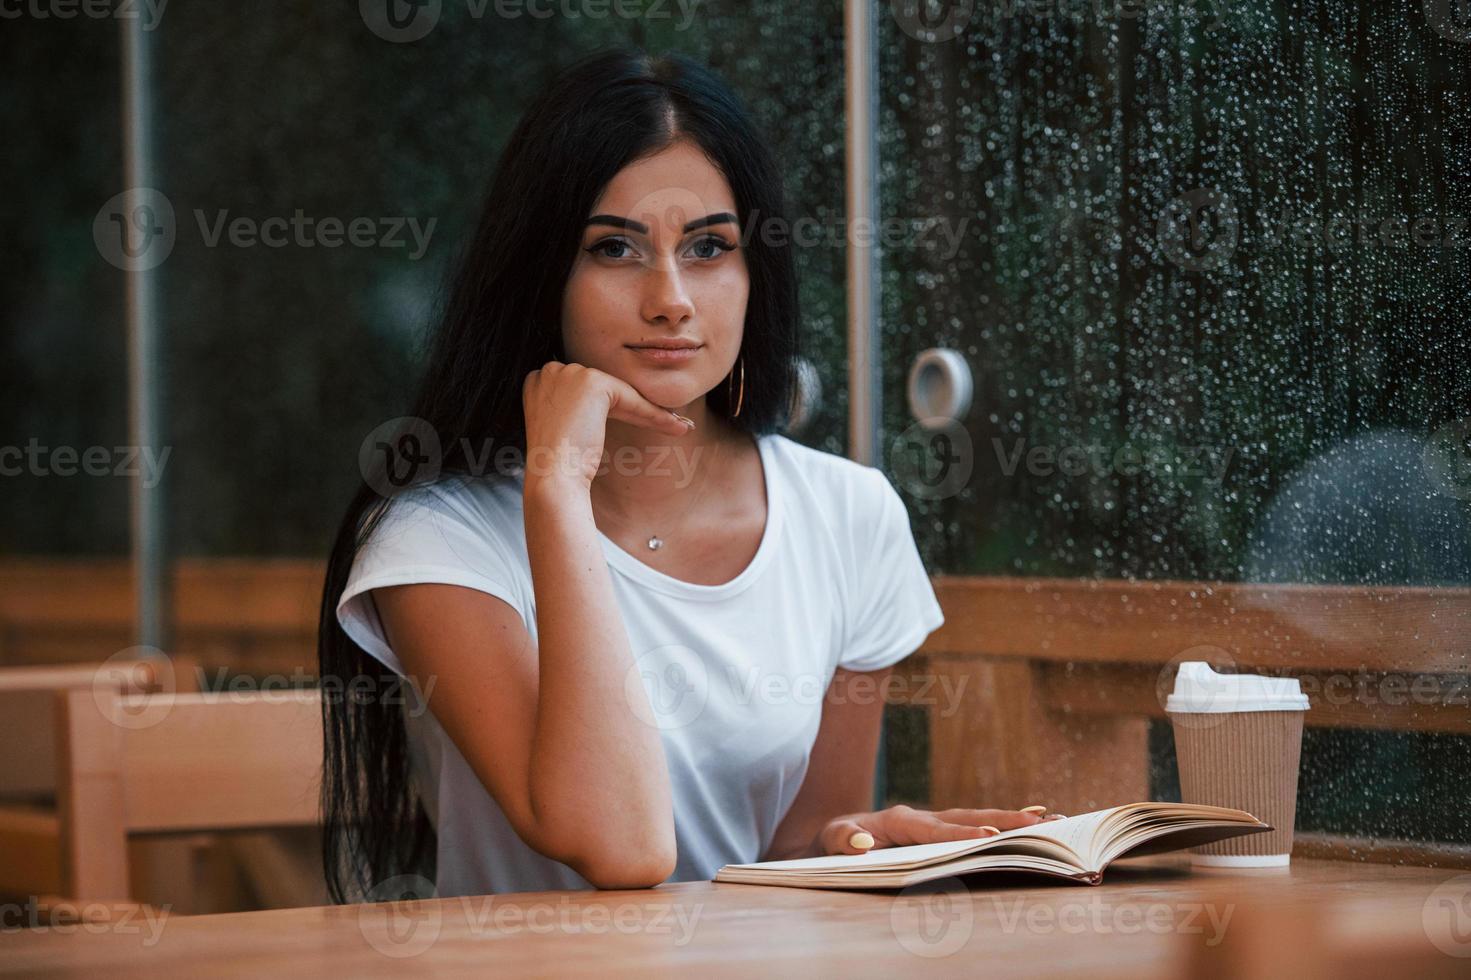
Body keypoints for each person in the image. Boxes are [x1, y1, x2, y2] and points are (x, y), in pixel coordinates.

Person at [317, 46, 1056, 902]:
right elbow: (619, 848)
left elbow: (781, 875)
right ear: (540, 276)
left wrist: (852, 843)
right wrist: (555, 486)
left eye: (708, 246)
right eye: (613, 249)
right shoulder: (437, 539)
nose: (670, 297)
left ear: (755, 271)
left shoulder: (848, 515)